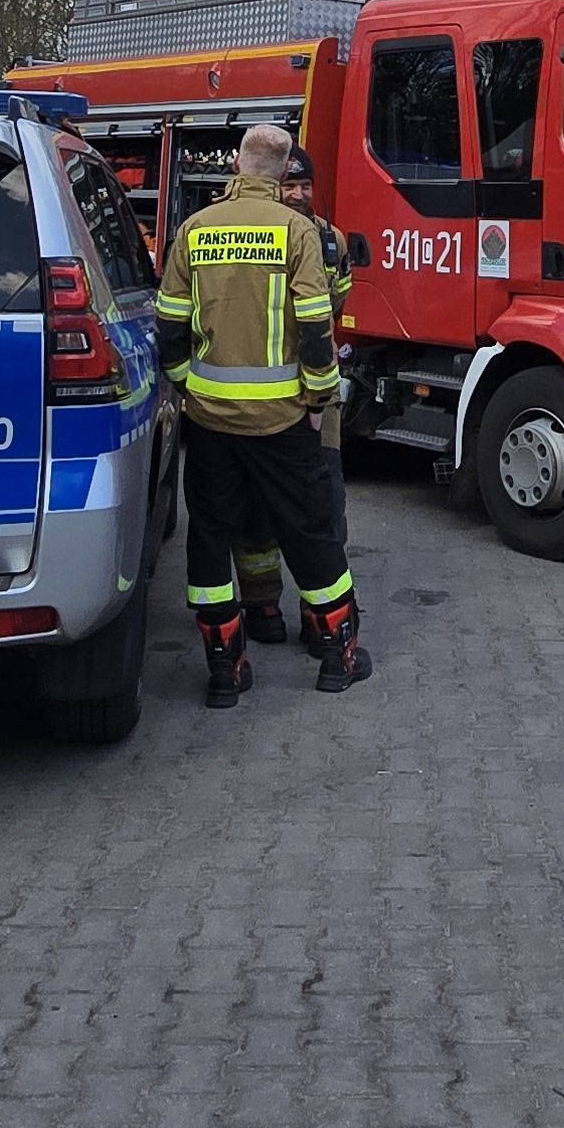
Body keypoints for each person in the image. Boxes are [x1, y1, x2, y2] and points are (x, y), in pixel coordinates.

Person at [152, 120, 367, 704]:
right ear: (281, 173)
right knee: (311, 531)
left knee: (209, 537)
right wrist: (318, 399)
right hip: (282, 420)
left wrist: (188, 386)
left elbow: (169, 329)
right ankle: (338, 657)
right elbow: (317, 330)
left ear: (236, 167)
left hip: (210, 421)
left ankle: (226, 671)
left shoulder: (194, 230)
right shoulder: (298, 232)